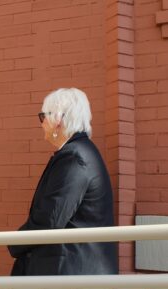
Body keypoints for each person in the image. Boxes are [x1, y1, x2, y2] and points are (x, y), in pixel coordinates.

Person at [8, 88, 118, 276]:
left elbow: (51, 219)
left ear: (57, 119)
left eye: (43, 116)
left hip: (70, 277)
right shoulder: (80, 152)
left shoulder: (74, 157)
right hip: (75, 272)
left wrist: (14, 244)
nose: (42, 123)